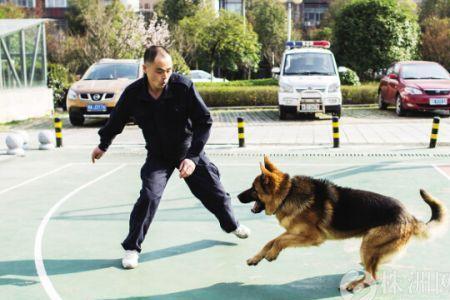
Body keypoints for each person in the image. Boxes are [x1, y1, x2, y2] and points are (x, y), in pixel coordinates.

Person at [91, 46, 250, 269]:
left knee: (217, 193)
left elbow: (204, 121)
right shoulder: (133, 94)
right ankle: (132, 248)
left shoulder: (183, 87)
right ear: (144, 68)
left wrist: (193, 158)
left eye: (168, 70)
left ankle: (232, 225)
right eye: (158, 70)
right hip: (158, 155)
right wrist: (103, 145)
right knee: (149, 196)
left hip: (187, 150)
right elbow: (116, 121)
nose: (164, 75)